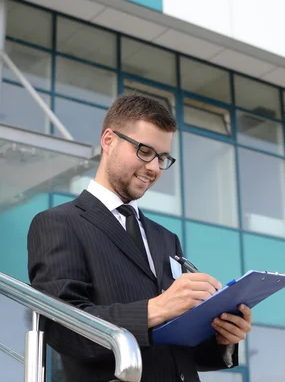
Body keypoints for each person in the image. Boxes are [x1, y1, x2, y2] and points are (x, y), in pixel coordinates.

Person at [27, 94, 252, 382]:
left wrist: (222, 337)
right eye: (145, 151)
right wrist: (156, 308)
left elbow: (176, 348)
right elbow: (65, 329)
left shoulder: (165, 238)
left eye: (162, 158)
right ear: (108, 140)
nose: (154, 168)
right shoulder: (59, 223)